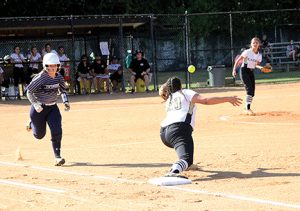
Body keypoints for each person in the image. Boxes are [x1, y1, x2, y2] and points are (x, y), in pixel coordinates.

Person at [159, 76, 242, 177]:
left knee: (183, 150)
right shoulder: (185, 92)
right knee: (187, 159)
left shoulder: (169, 99)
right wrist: (228, 98)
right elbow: (206, 100)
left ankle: (185, 164)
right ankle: (174, 170)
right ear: (180, 86)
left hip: (164, 134)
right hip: (178, 130)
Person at [26, 53, 70, 166]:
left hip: (52, 107)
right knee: (39, 135)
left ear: (58, 66)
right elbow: (29, 91)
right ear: (45, 66)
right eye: (50, 66)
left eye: (54, 66)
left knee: (57, 130)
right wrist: (35, 105)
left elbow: (63, 90)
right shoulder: (41, 77)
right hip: (39, 109)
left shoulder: (59, 77)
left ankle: (57, 157)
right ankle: (32, 123)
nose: (52, 68)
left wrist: (65, 101)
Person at [232, 37, 262, 116]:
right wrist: (234, 70)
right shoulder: (247, 52)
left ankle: (246, 108)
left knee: (252, 92)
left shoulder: (259, 55)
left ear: (259, 44)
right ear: (251, 44)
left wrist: (262, 68)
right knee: (249, 89)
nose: (255, 44)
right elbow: (238, 60)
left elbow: (256, 65)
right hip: (244, 70)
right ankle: (248, 109)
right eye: (253, 43)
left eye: (256, 43)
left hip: (251, 71)